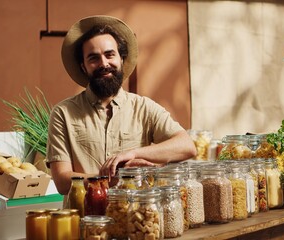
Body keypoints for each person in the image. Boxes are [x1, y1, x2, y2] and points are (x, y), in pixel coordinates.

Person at [46, 15, 197, 195]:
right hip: (85, 219)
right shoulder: (64, 113)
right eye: (93, 58)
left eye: (110, 55)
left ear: (121, 60)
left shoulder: (144, 108)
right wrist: (110, 179)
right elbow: (62, 182)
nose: (104, 63)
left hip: (135, 217)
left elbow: (187, 146)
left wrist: (133, 154)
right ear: (83, 66)